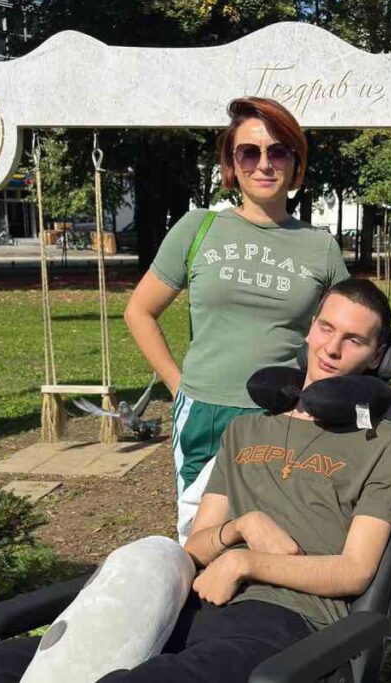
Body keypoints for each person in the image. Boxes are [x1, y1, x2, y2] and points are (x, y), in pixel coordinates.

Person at [0, 279, 391, 683]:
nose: (332, 348)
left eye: (354, 340)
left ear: (377, 356)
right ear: (310, 328)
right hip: (183, 606)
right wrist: (240, 528)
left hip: (284, 627)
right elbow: (198, 546)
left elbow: (355, 570)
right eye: (326, 328)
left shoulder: (384, 444)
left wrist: (245, 563)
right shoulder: (246, 430)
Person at [124, 97, 349, 539]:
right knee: (201, 538)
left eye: (278, 151)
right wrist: (178, 386)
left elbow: (347, 330)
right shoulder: (198, 228)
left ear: (295, 163)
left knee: (279, 537)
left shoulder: (320, 247)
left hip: (283, 413)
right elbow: (139, 311)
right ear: (231, 163)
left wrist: (374, 394)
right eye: (249, 152)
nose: (264, 164)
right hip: (205, 413)